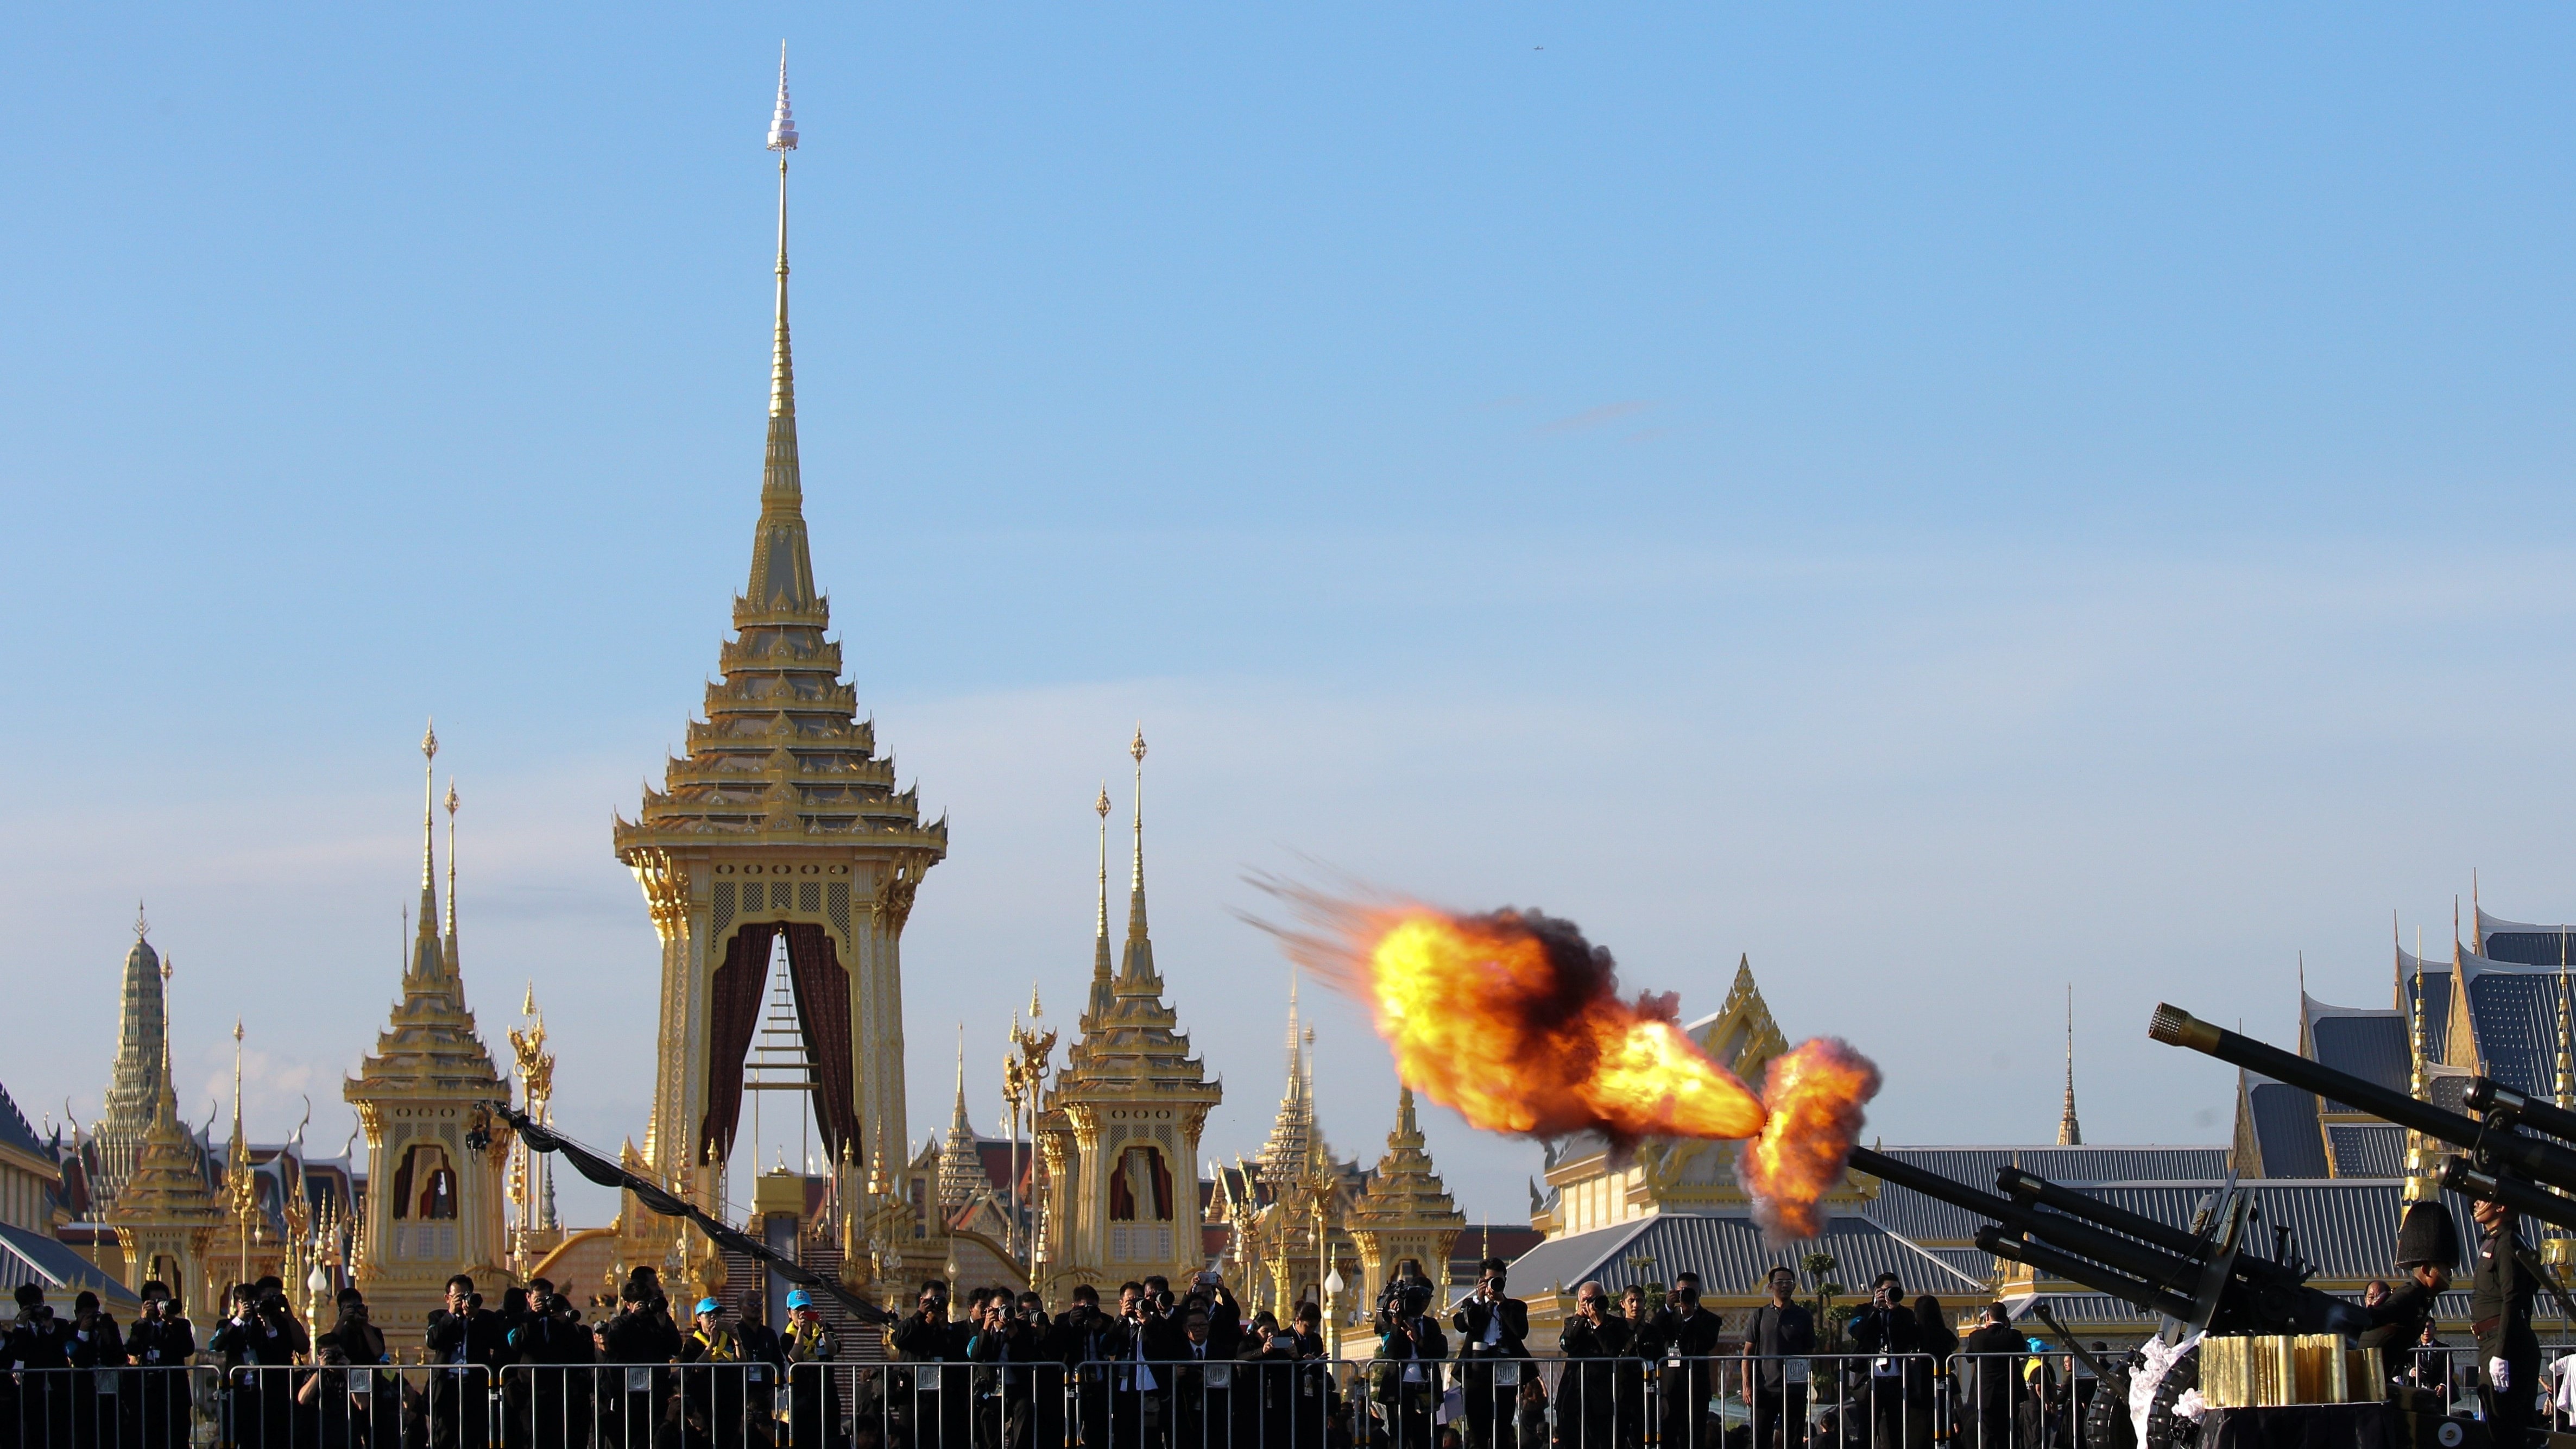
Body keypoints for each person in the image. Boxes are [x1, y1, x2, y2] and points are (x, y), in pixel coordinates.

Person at [2360, 1200, 2454, 1406]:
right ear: (2427, 1269)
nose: (2450, 1273)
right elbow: (2372, 1319)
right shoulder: (2409, 1296)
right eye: (2445, 1267)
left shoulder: (2422, 1298)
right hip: (2365, 1381)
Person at [2469, 1194, 2541, 1444]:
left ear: (2501, 1206)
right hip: (2496, 1340)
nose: (2476, 1204)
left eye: (2482, 1199)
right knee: (2502, 1425)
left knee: (2505, 1429)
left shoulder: (2508, 1242)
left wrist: (2501, 1353)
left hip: (2502, 1342)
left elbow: (2513, 1299)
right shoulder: (2499, 1241)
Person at [1451, 1259, 1529, 1449]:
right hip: (1477, 1367)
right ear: (1481, 1281)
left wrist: (1502, 1303)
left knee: (1502, 1425)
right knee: (1477, 1427)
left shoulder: (1516, 1306)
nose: (1494, 1284)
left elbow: (1521, 1332)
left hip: (1505, 1368)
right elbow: (1462, 1325)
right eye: (1490, 1280)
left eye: (1499, 1280)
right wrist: (1479, 1300)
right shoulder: (1472, 1304)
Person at [1740, 1269, 1813, 1449]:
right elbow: (1748, 1352)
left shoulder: (1804, 1316)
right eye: (1780, 1282)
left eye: (1789, 1282)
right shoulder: (1760, 1315)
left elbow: (1810, 1349)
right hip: (1765, 1388)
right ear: (1771, 1286)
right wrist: (1747, 1384)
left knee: (1793, 1441)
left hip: (1794, 1389)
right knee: (1758, 1440)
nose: (1785, 1286)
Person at [124, 1281, 195, 1449]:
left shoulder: (181, 1325)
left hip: (175, 1396)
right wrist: (143, 1320)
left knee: (177, 1441)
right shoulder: (140, 1327)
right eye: (155, 1302)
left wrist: (171, 1322)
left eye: (163, 1301)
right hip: (147, 1397)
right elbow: (132, 1348)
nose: (160, 1306)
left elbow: (188, 1349)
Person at [1555, 1283, 1625, 1449]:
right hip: (1573, 1395)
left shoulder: (1616, 1324)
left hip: (1603, 1398)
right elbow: (1567, 1344)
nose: (1591, 1304)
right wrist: (1579, 1317)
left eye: (1596, 1299)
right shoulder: (1572, 1322)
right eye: (1586, 1300)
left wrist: (1599, 1325)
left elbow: (1613, 1351)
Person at [1653, 1282, 1721, 1449]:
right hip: (1670, 1388)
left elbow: (1708, 1342)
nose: (1686, 1295)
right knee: (1667, 1437)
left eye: (1691, 1291)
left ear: (1699, 1293)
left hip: (1696, 1389)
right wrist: (1668, 1307)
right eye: (1682, 1291)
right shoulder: (1668, 1317)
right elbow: (1653, 1331)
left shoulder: (1710, 1319)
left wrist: (1691, 1316)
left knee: (1694, 1438)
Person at [1377, 1284, 1444, 1449]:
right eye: (1416, 1300)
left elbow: (1441, 1351)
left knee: (1424, 1439)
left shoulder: (1431, 1324)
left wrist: (1418, 1339)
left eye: (1426, 1300)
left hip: (1425, 1389)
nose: (1422, 1304)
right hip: (1400, 1390)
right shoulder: (1392, 1322)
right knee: (1399, 1438)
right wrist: (1396, 1322)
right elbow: (1392, 1352)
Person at [781, 1289, 841, 1449]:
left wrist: (824, 1331)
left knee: (830, 1439)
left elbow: (833, 1350)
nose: (803, 1314)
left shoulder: (824, 1328)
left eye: (806, 1309)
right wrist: (801, 1331)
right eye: (798, 1310)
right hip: (802, 1395)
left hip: (827, 1392)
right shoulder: (787, 1336)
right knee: (804, 1440)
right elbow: (794, 1357)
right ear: (789, 1313)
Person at [1958, 1306, 2022, 1449]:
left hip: (1986, 1393)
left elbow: (1969, 1358)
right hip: (2010, 1392)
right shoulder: (2014, 1336)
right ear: (2005, 1319)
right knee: (2009, 1432)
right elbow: (2023, 1351)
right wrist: (2007, 1328)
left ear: (1987, 1317)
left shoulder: (1977, 1336)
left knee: (1987, 1433)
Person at [1909, 1297, 1955, 1449]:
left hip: (1918, 1388)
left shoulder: (1914, 1334)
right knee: (1941, 1424)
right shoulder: (1944, 1334)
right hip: (1940, 1385)